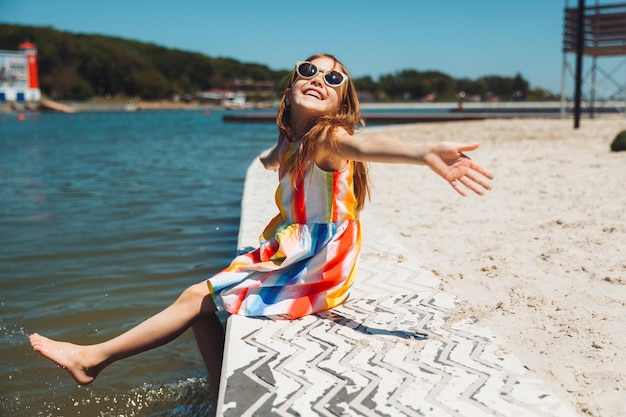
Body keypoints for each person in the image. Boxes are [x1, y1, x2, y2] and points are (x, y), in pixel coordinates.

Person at [29, 53, 493, 404]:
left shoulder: (327, 137)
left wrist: (423, 152)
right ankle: (216, 390)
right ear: (291, 86)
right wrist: (273, 156)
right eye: (308, 71)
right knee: (205, 309)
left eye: (333, 79)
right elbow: (280, 157)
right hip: (301, 244)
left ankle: (92, 359)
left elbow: (366, 144)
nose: (318, 80)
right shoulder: (292, 137)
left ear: (340, 102)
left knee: (196, 296)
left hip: (318, 258)